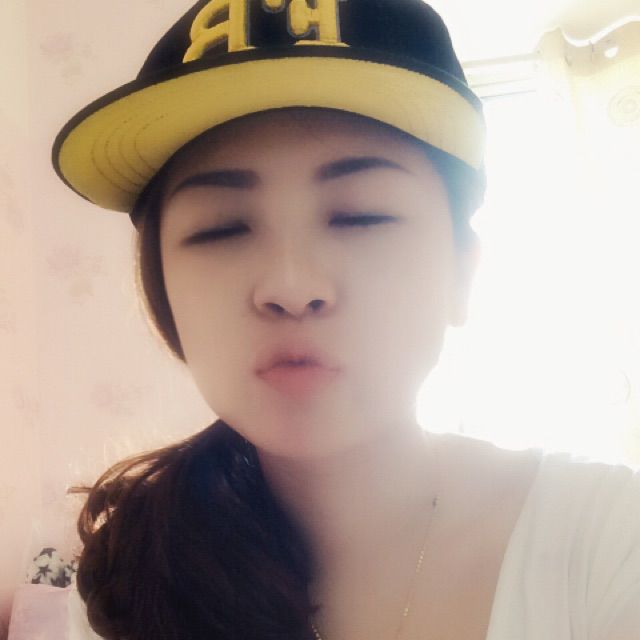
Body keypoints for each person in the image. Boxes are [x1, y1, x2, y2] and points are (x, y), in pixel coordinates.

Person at [52, 1, 640, 639]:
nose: (291, 287)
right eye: (222, 227)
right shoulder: (130, 578)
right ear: (162, 292)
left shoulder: (608, 542)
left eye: (361, 216)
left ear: (461, 271)